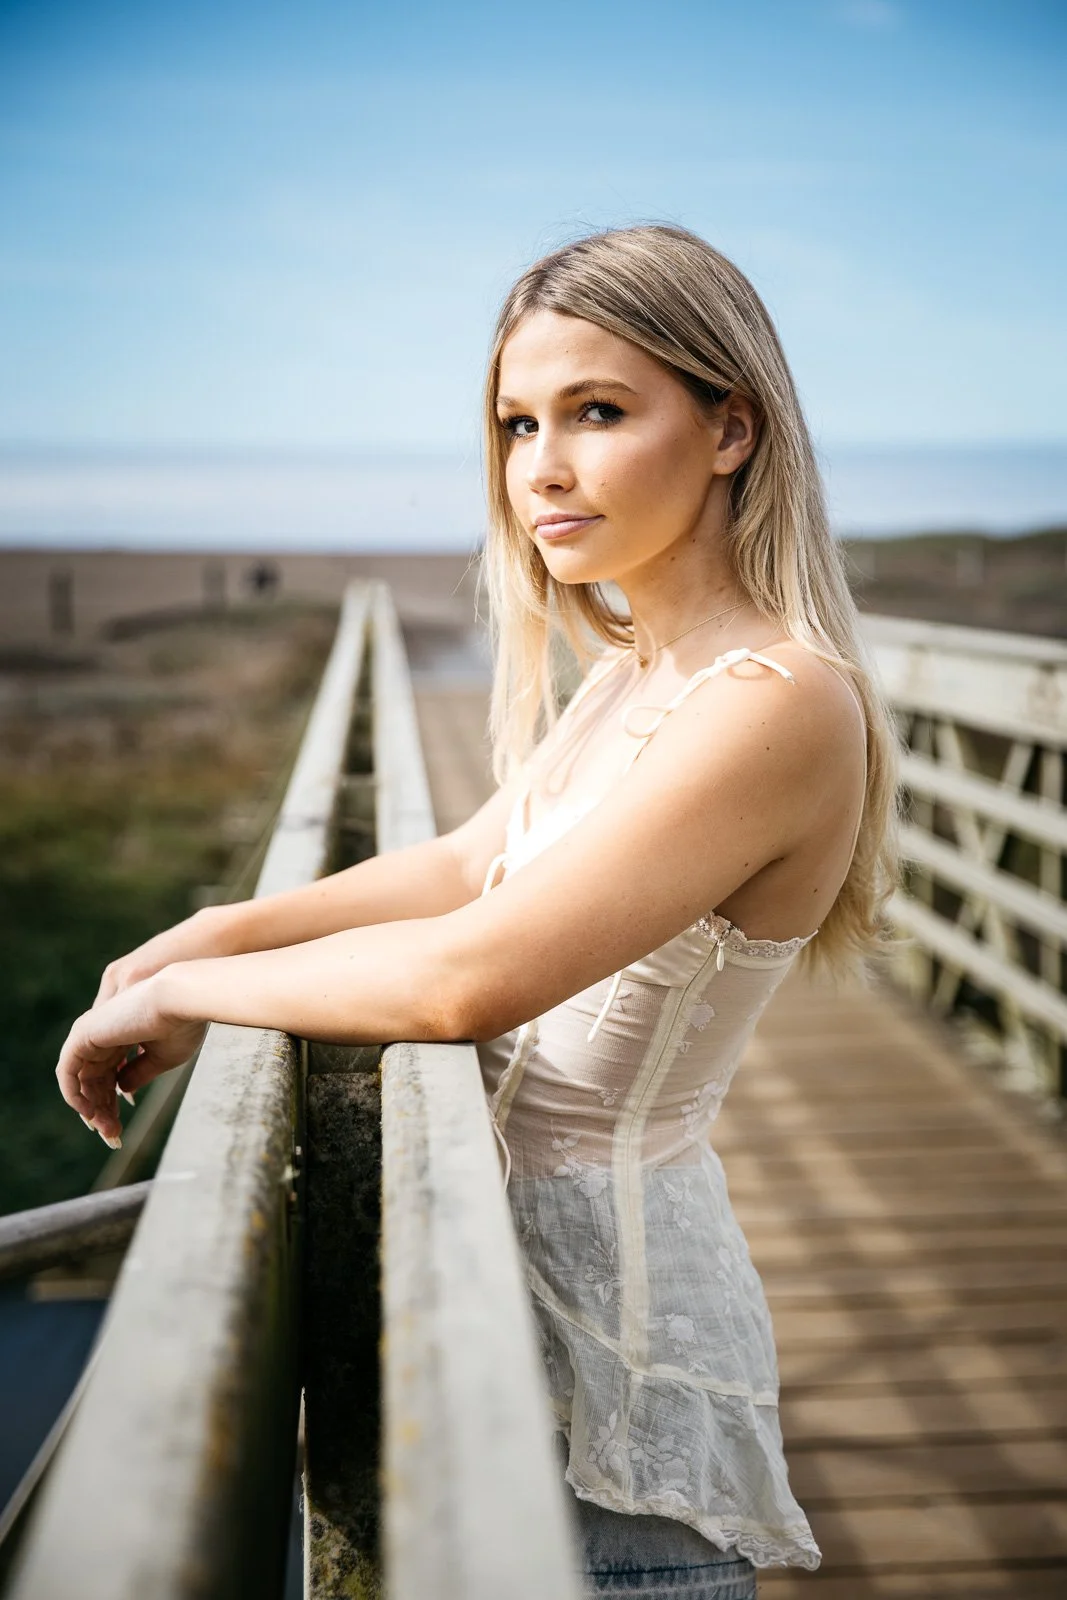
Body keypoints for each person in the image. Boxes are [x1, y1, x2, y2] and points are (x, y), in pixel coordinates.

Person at [55, 223, 899, 1597]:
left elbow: (466, 978)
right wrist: (210, 931)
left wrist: (179, 1001)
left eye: (599, 413)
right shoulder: (641, 669)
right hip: (497, 1303)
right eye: (518, 423)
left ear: (731, 427)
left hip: (606, 1370)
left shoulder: (774, 700)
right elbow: (461, 865)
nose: (541, 468)